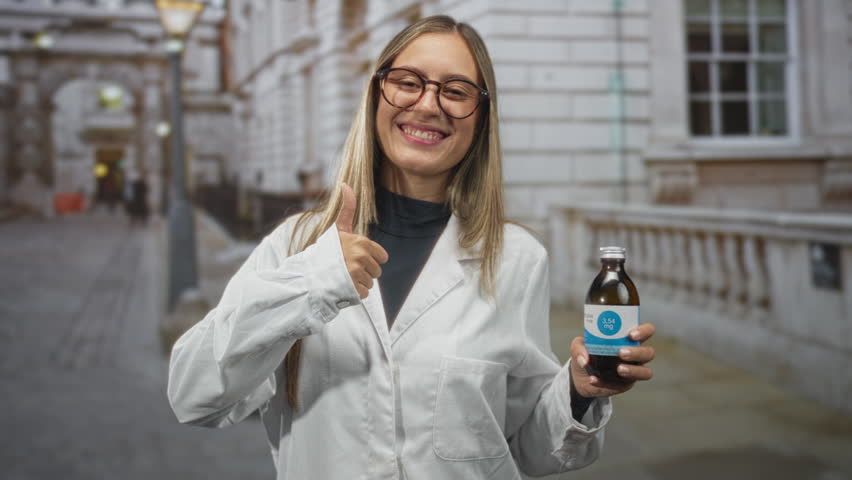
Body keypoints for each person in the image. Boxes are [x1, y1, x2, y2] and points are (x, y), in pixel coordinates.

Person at [168, 15, 656, 479]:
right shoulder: (296, 245)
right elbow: (194, 395)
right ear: (376, 94)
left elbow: (529, 446)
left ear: (480, 119)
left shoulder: (515, 259)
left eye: (456, 91)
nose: (427, 105)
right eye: (407, 81)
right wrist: (311, 283)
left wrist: (577, 390)